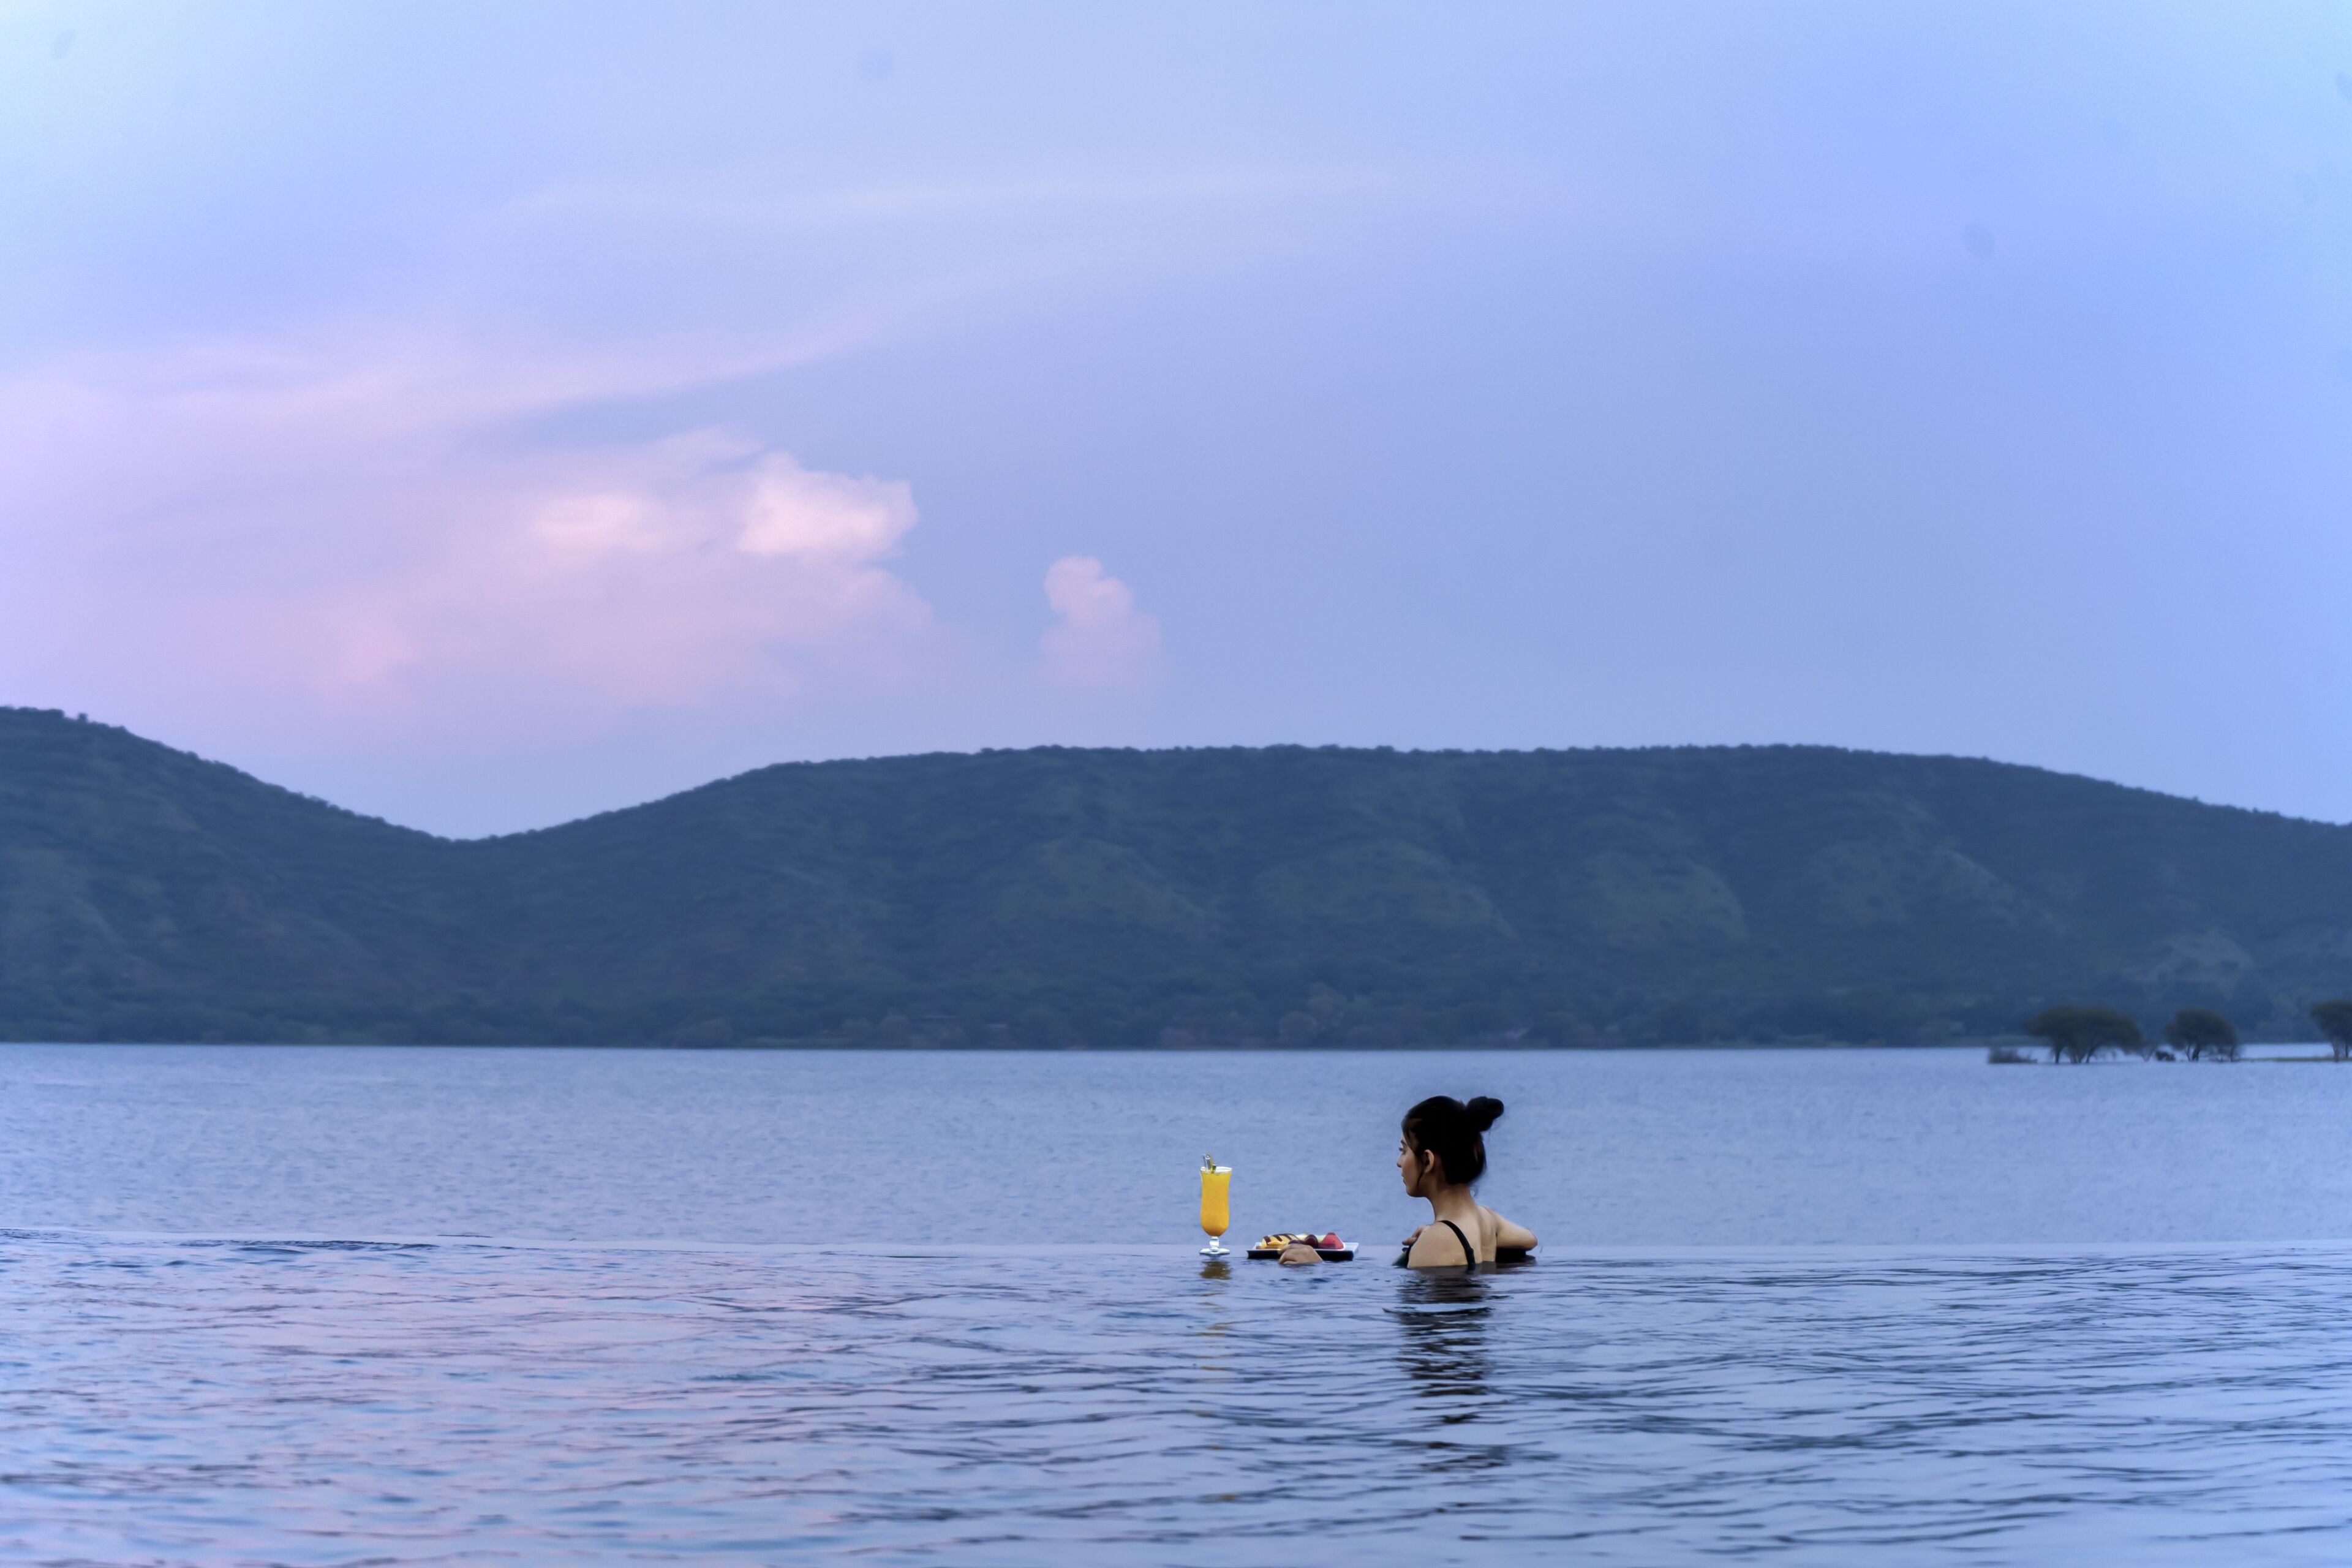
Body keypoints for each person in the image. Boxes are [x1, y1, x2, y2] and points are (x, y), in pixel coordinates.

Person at [1396, 1095, 1537, 1268]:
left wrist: (1435, 1236)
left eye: (1404, 1151)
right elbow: (1529, 1240)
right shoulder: (1486, 1219)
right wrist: (1434, 1233)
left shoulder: (1435, 1243)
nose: (1399, 1162)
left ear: (1427, 1161)